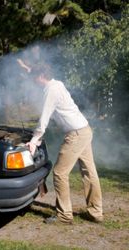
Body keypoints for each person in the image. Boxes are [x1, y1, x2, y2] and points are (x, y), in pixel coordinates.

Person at [26, 65, 103, 224]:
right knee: (89, 172)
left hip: (76, 135)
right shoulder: (58, 84)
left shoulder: (50, 90)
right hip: (84, 130)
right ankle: (96, 212)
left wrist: (34, 140)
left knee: (60, 173)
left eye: (34, 78)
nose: (33, 82)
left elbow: (44, 117)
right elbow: (59, 114)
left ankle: (64, 215)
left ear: (41, 76)